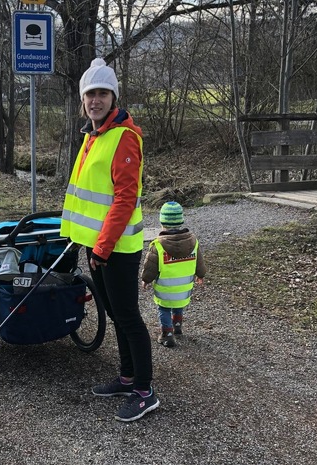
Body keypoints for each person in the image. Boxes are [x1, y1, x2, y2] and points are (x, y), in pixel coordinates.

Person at [60, 58, 158, 422]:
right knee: (116, 314)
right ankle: (127, 377)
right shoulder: (93, 135)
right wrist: (82, 239)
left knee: (128, 316)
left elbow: (124, 198)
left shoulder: (124, 137)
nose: (95, 100)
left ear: (113, 98)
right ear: (83, 100)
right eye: (90, 94)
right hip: (97, 245)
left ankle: (145, 391)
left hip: (117, 248)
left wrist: (102, 248)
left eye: (102, 93)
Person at [141, 201, 206, 348]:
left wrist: (146, 280)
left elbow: (150, 267)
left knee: (164, 309)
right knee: (178, 305)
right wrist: (200, 275)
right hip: (184, 290)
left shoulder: (158, 245)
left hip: (165, 290)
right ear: (181, 221)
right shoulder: (193, 243)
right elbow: (199, 262)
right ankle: (177, 325)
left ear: (162, 222)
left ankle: (167, 335)